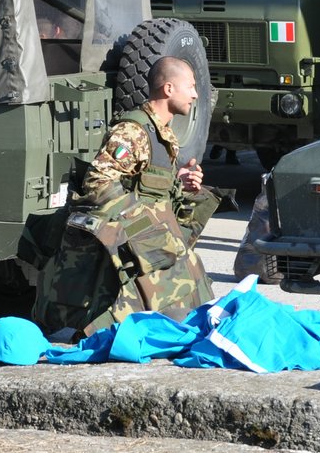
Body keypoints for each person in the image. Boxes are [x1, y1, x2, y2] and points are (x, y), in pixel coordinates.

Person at [31, 56, 220, 337]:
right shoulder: (133, 132)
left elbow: (141, 184)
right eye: (190, 86)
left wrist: (178, 183)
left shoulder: (162, 133)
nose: (195, 94)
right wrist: (143, 224)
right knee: (176, 278)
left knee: (191, 281)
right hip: (130, 240)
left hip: (145, 239)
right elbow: (97, 183)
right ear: (168, 89)